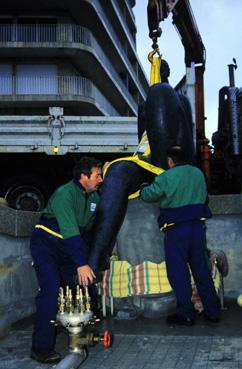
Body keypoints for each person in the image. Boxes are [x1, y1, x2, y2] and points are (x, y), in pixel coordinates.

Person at [30, 156, 103, 363]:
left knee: (77, 287)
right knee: (51, 291)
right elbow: (70, 231)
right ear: (83, 176)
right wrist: (81, 263)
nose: (100, 180)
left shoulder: (95, 199)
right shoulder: (64, 195)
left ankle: (75, 331)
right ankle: (41, 347)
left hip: (68, 247)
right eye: (97, 175)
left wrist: (87, 260)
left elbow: (86, 233)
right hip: (47, 244)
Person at [140, 146, 220, 326]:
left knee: (178, 272)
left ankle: (186, 313)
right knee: (201, 269)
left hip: (176, 230)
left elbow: (150, 195)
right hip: (198, 228)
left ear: (170, 160)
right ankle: (212, 312)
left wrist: (144, 187)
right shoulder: (198, 173)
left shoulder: (166, 177)